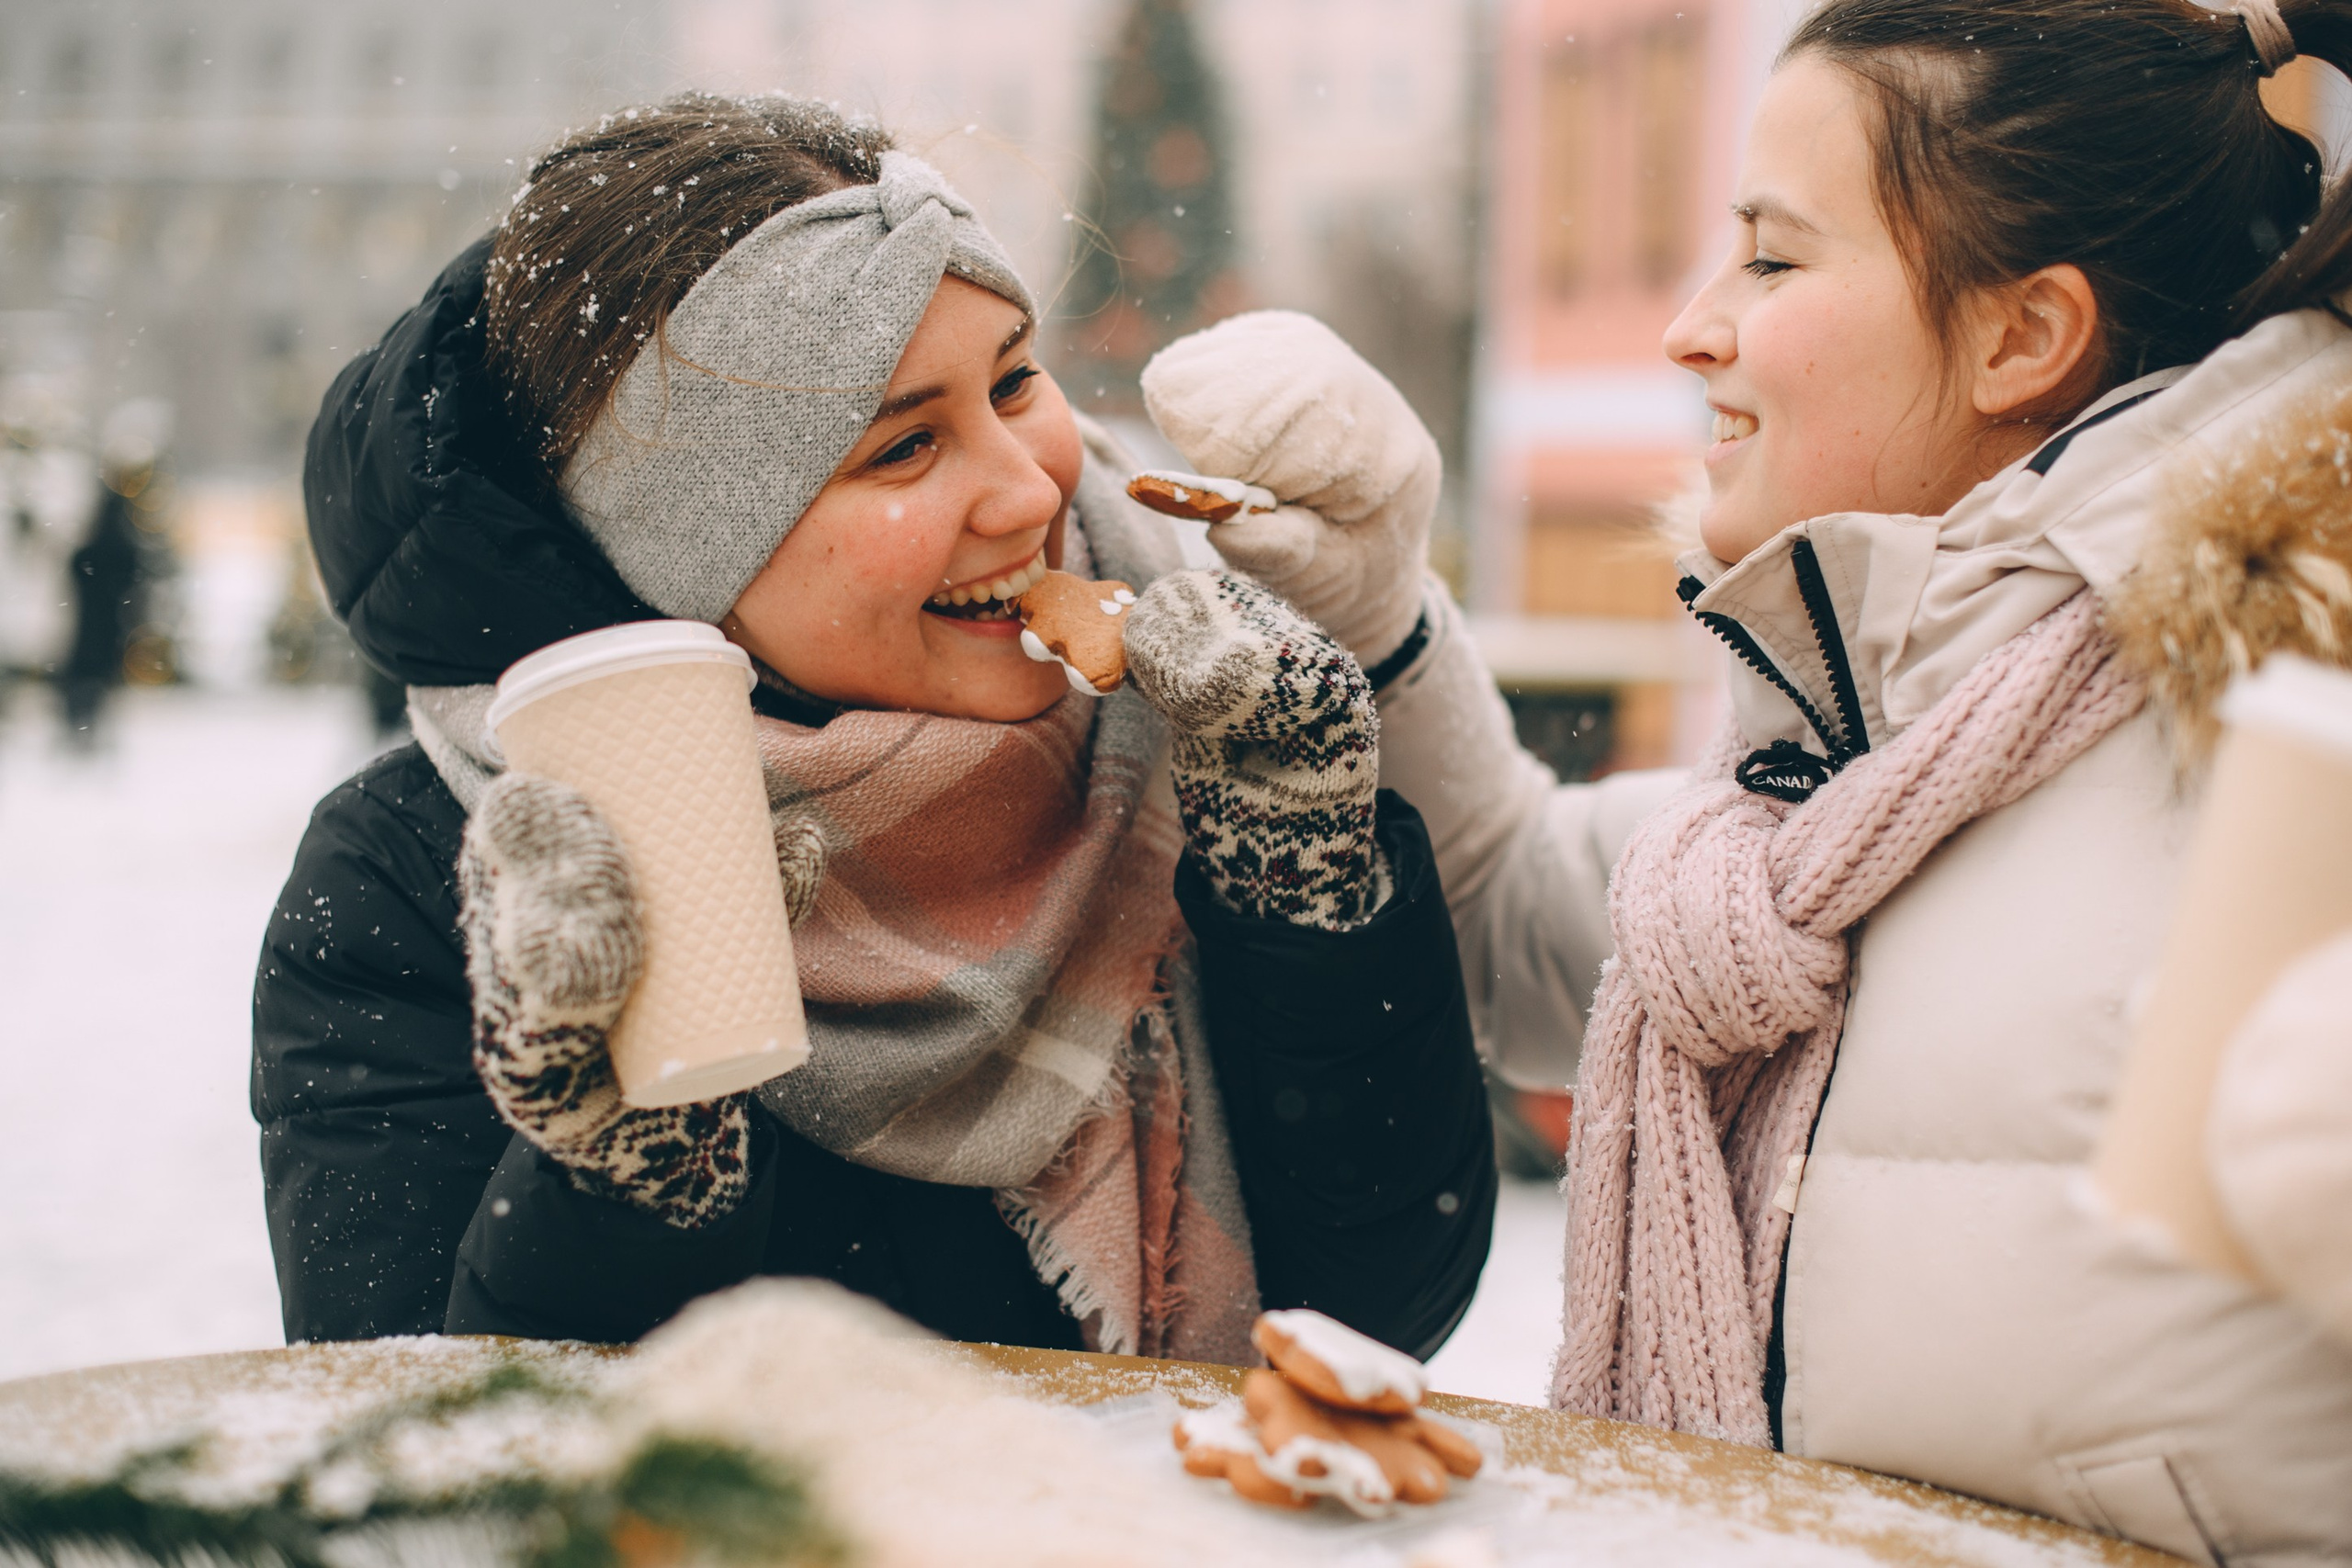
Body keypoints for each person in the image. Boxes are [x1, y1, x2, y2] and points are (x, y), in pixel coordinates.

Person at [1136, 0, 2352, 1556]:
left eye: (1774, 259)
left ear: (2021, 336)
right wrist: (1380, 617)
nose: (1691, 325)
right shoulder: (1828, 774)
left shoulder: (2271, 774)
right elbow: (1512, 926)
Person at [251, 96, 1495, 1366]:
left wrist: (1308, 885)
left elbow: (1376, 1320)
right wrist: (626, 1181)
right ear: (684, 557)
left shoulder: (1198, 729)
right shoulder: (424, 878)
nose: (1029, 486)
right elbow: (418, 1471)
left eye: (1016, 381)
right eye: (904, 446)